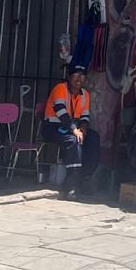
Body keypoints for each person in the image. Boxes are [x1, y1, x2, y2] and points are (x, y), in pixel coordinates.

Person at [46, 66, 99, 200]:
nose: (79, 79)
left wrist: (83, 129)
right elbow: (60, 111)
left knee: (93, 138)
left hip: (72, 126)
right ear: (69, 77)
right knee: (73, 141)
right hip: (53, 127)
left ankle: (84, 178)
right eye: (76, 75)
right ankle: (71, 186)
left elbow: (85, 115)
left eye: (82, 76)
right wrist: (75, 130)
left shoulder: (85, 94)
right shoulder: (60, 88)